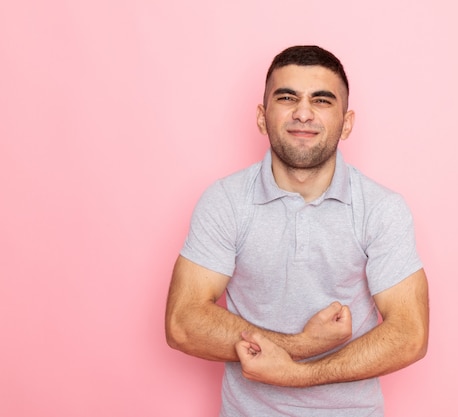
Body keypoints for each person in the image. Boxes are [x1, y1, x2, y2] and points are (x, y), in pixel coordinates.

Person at [165, 45, 429, 417]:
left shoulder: (382, 209)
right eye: (287, 97)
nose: (303, 113)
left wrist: (298, 374)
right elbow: (182, 322)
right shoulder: (225, 200)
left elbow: (410, 334)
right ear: (262, 116)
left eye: (321, 100)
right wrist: (302, 344)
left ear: (347, 122)